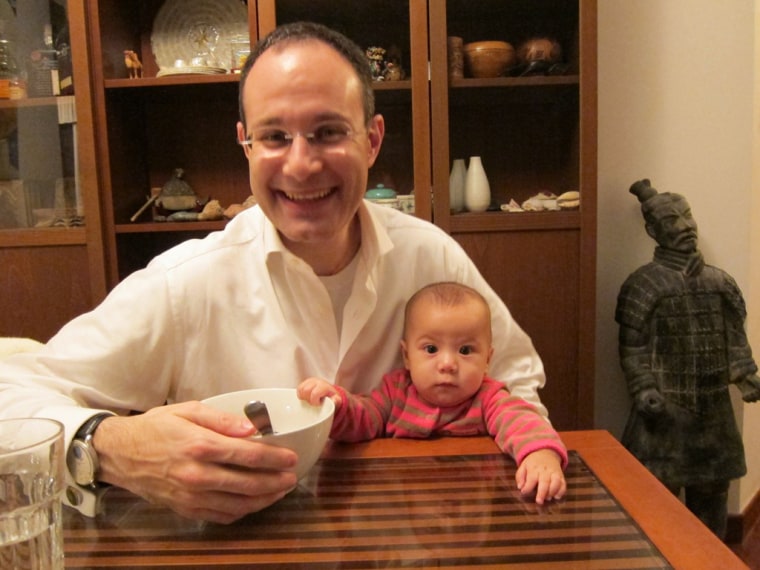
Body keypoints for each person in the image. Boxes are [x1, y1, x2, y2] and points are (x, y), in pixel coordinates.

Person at [0, 22, 549, 524]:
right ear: (245, 143)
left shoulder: (433, 258)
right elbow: (12, 395)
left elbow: (517, 385)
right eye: (274, 137)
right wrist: (111, 445)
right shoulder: (187, 283)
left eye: (329, 131)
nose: (301, 164)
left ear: (373, 139)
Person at [298, 282, 567, 504]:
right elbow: (364, 419)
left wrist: (540, 453)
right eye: (430, 349)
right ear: (406, 356)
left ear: (487, 359)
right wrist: (339, 405)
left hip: (473, 489)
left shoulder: (488, 398)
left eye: (465, 350)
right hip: (409, 486)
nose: (447, 364)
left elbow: (521, 420)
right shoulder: (396, 391)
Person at [616, 178, 760, 539]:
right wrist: (644, 388)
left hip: (714, 413)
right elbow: (633, 348)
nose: (683, 226)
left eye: (687, 216)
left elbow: (734, 339)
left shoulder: (719, 283)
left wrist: (745, 375)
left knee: (712, 504)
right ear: (652, 230)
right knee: (655, 506)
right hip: (665, 416)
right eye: (671, 220)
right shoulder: (643, 285)